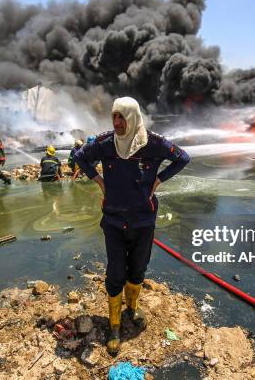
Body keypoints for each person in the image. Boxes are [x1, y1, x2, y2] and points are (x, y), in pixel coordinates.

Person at [74, 96, 190, 355]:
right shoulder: (105, 143)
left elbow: (183, 158)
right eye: (114, 116)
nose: (116, 122)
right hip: (114, 221)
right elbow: (80, 157)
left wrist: (158, 180)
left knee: (138, 269)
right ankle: (114, 326)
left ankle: (132, 309)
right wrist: (99, 181)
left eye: (122, 117)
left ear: (134, 117)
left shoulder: (154, 143)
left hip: (143, 220)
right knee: (116, 273)